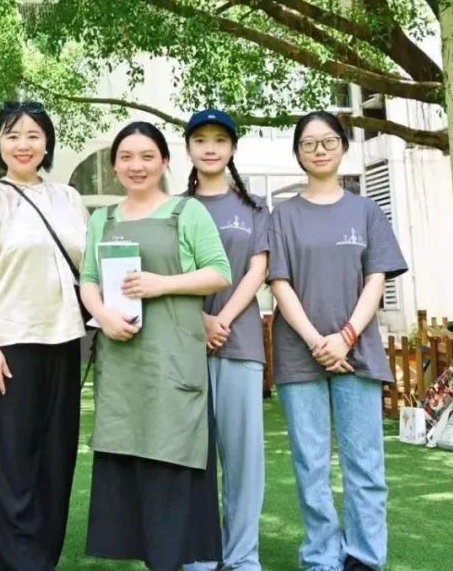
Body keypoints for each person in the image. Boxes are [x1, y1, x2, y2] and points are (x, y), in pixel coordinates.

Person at [80, 121, 232, 571]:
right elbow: (88, 280)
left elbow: (219, 272)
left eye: (147, 156)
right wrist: (103, 316)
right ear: (114, 166)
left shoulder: (188, 212)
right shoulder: (102, 219)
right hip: (123, 367)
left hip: (172, 365)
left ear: (165, 161)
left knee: (170, 463)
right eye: (126, 157)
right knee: (129, 467)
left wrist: (160, 284)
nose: (137, 166)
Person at [0, 101, 88, 571]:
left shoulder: (69, 199)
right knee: (9, 463)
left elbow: (89, 269)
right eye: (12, 135)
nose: (23, 144)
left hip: (64, 342)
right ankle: (14, 562)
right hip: (8, 347)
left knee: (55, 458)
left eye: (32, 135)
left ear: (47, 142)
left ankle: (43, 559)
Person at [267, 111, 407, 571]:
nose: (319, 150)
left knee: (364, 462)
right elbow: (279, 283)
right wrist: (316, 342)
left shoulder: (367, 211)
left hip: (358, 353)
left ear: (344, 146)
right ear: (297, 153)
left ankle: (365, 556)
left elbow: (376, 279)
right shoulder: (282, 214)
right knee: (311, 465)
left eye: (328, 141)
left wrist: (345, 337)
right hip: (299, 355)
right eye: (308, 143)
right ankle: (322, 557)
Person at [182, 109, 270, 571]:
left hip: (240, 344)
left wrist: (221, 320)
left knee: (243, 459)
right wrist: (199, 321)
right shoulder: (174, 208)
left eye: (220, 140)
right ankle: (200, 555)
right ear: (188, 149)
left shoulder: (254, 207)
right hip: (184, 347)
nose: (210, 148)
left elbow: (258, 270)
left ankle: (242, 557)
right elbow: (166, 273)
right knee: (192, 456)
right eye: (201, 140)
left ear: (232, 148)